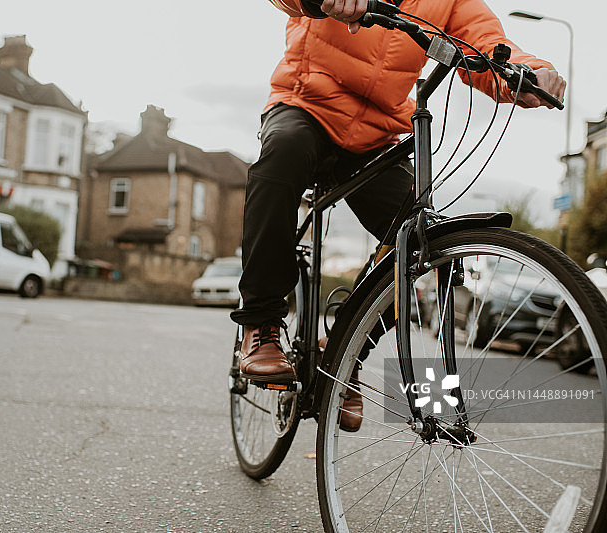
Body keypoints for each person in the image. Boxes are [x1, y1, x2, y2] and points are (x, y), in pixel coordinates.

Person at [231, 0, 566, 430]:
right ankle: (260, 324)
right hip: (306, 105)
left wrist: (525, 71)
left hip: (375, 134)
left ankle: (343, 349)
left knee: (420, 242)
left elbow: (487, 42)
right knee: (280, 159)